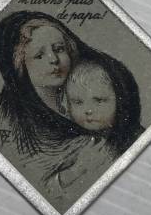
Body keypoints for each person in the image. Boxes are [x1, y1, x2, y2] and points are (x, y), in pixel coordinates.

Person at [37, 55, 144, 207]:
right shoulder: (74, 143)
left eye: (99, 100)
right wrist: (77, 169)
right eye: (78, 102)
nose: (87, 110)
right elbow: (46, 192)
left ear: (122, 100)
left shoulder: (137, 140)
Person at [0, 12, 86, 157]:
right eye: (39, 55)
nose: (53, 59)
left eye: (59, 49)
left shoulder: (86, 90)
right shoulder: (16, 122)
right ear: (20, 65)